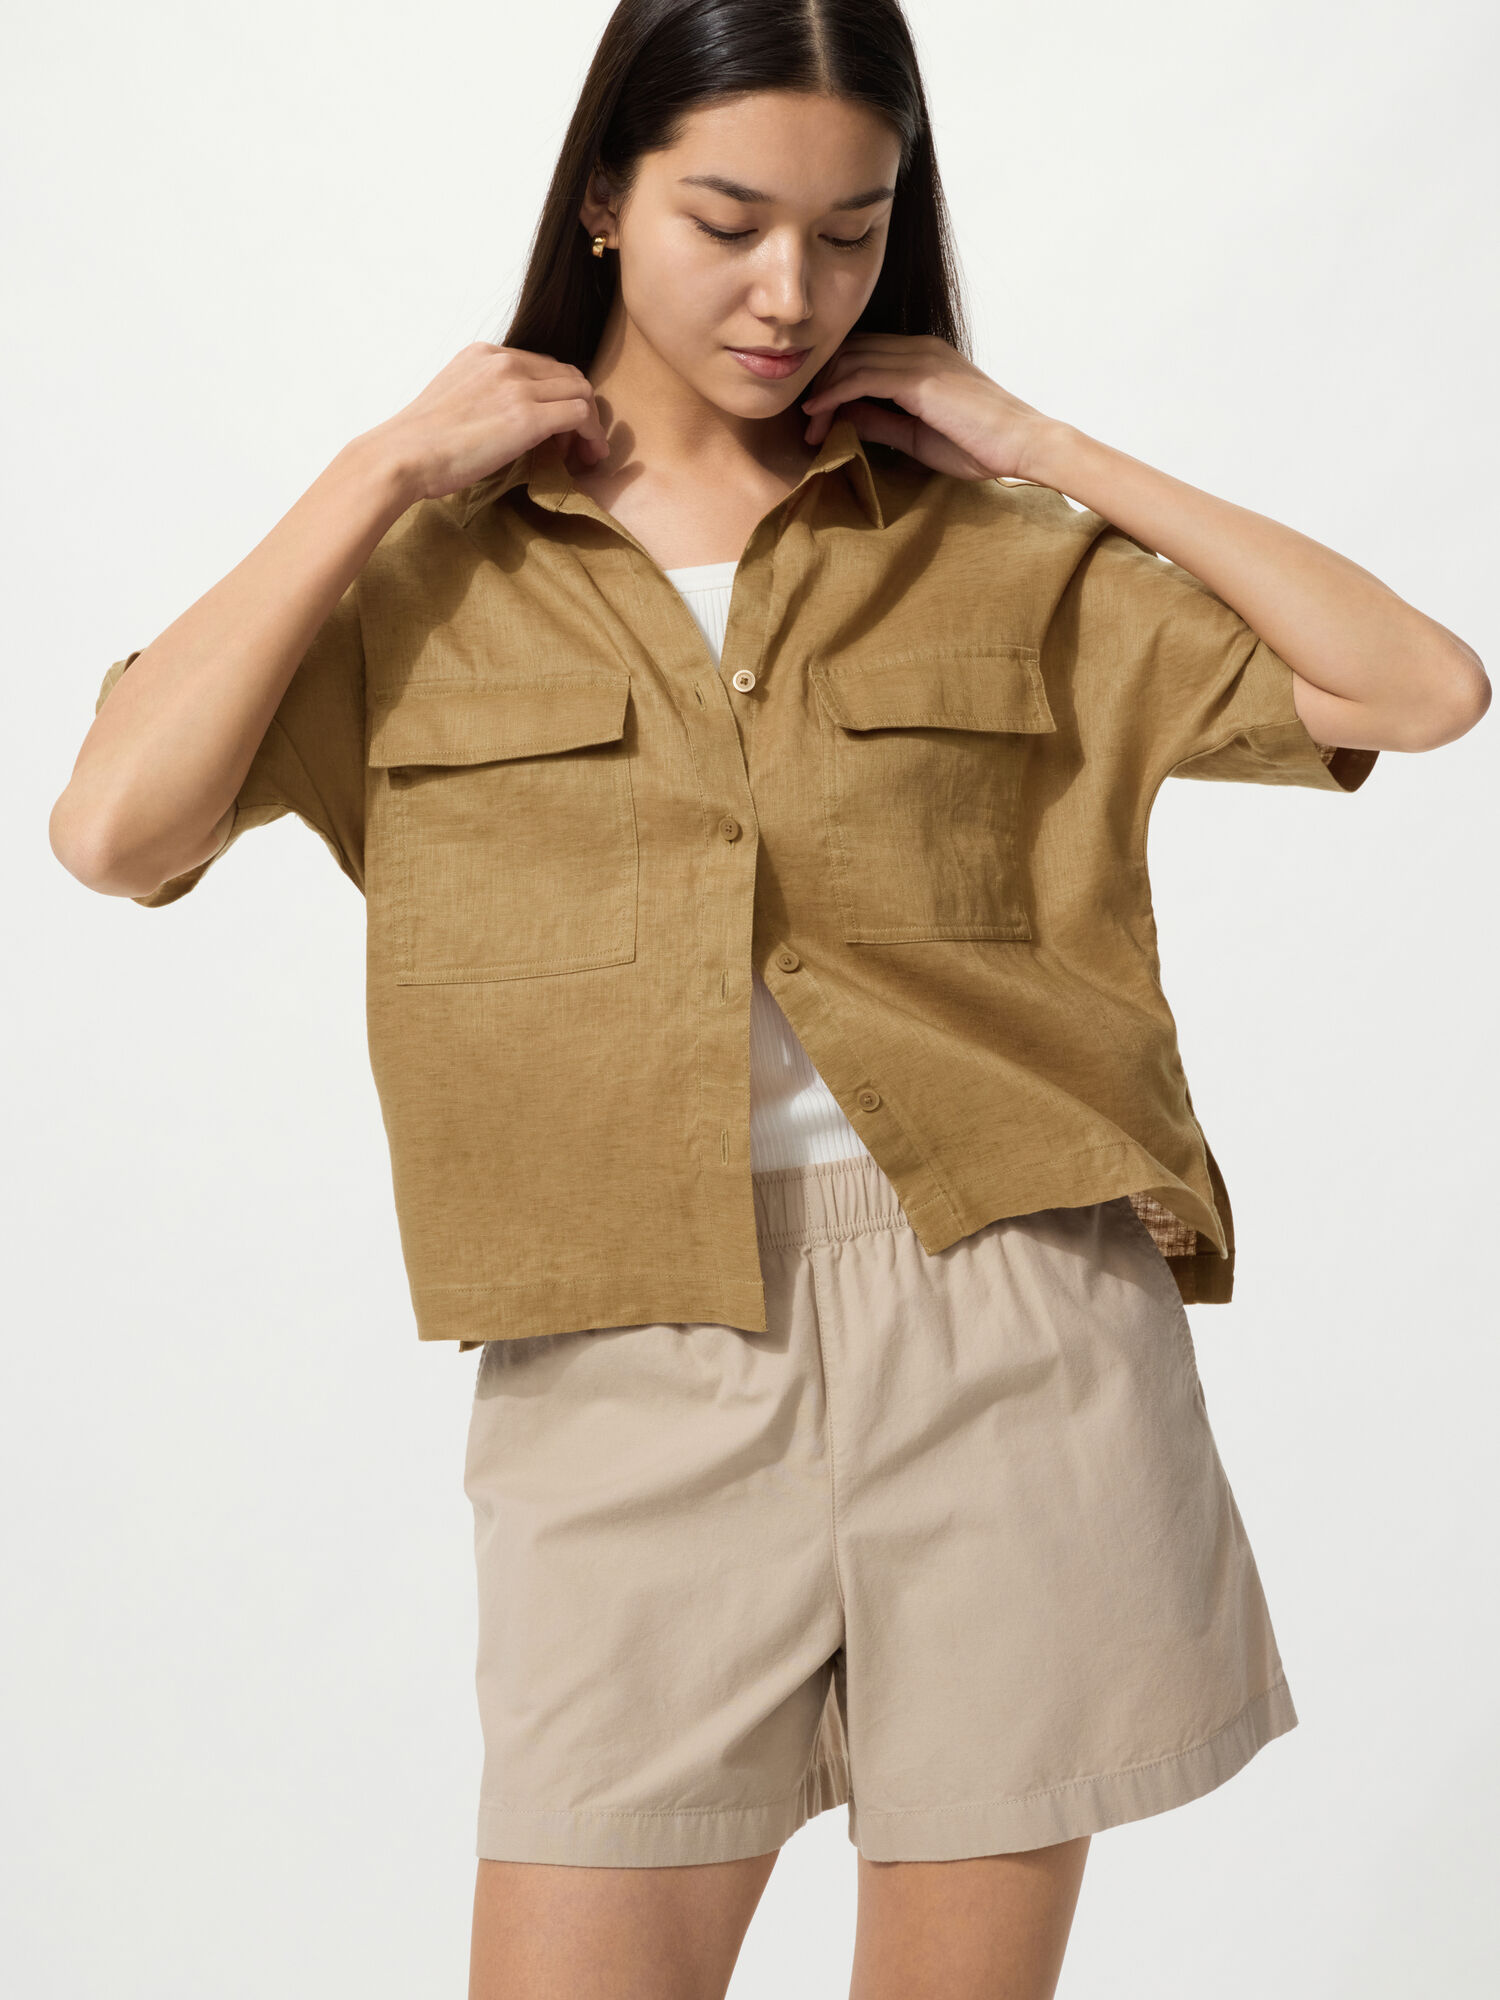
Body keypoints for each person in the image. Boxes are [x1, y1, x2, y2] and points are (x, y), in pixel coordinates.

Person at [51, 3, 1488, 1996]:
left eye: (850, 230)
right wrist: (375, 468)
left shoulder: (1001, 554)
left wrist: (1043, 444)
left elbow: (1418, 689)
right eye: (729, 219)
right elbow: (114, 829)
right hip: (619, 1335)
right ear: (603, 206)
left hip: (1010, 1313)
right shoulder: (425, 576)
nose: (790, 291)